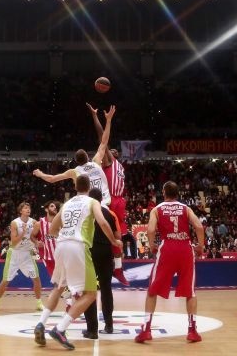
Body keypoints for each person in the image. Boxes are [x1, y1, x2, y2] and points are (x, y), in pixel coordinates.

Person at [33, 174, 122, 350]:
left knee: (58, 287)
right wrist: (113, 241)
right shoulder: (92, 202)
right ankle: (60, 329)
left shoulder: (67, 204)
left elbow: (51, 229)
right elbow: (103, 222)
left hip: (61, 246)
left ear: (76, 187)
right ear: (88, 187)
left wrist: (65, 237)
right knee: (90, 294)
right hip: (78, 246)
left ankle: (41, 324)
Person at [134, 181, 205, 343]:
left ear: (164, 192)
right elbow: (199, 227)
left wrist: (152, 245)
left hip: (167, 249)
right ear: (177, 194)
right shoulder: (186, 208)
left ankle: (146, 330)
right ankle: (192, 330)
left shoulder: (157, 209)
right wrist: (200, 246)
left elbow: (150, 230)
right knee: (190, 291)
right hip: (185, 248)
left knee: (153, 289)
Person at [33, 105, 116, 212]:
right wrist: (108, 120)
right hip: (105, 205)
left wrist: (40, 174)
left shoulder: (74, 172)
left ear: (76, 161)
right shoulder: (96, 161)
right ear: (87, 156)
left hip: (90, 208)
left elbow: (52, 179)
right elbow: (104, 141)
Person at [87, 103, 130, 285]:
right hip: (110, 201)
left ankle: (118, 269)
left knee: (121, 238)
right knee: (112, 236)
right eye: (108, 151)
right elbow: (102, 138)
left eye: (114, 151)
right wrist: (98, 118)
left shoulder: (120, 166)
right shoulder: (108, 161)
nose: (111, 151)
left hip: (120, 201)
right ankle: (109, 267)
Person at [83, 187, 121, 339]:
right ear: (102, 199)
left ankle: (92, 329)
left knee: (89, 291)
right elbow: (118, 236)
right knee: (106, 289)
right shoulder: (111, 214)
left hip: (89, 253)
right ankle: (109, 325)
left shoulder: (85, 212)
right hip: (106, 253)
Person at [0, 202, 43, 312]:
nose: (28, 209)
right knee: (5, 281)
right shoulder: (15, 223)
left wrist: (37, 242)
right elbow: (14, 242)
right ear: (21, 211)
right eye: (25, 208)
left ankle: (39, 303)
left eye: (29, 207)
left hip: (27, 254)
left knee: (37, 279)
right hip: (14, 253)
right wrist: (23, 232)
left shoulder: (34, 222)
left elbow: (35, 236)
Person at [37, 202, 59, 279]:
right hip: (49, 256)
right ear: (46, 209)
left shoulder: (61, 221)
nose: (55, 208)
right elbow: (32, 236)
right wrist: (37, 242)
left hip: (61, 255)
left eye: (56, 207)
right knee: (56, 280)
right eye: (52, 206)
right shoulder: (40, 223)